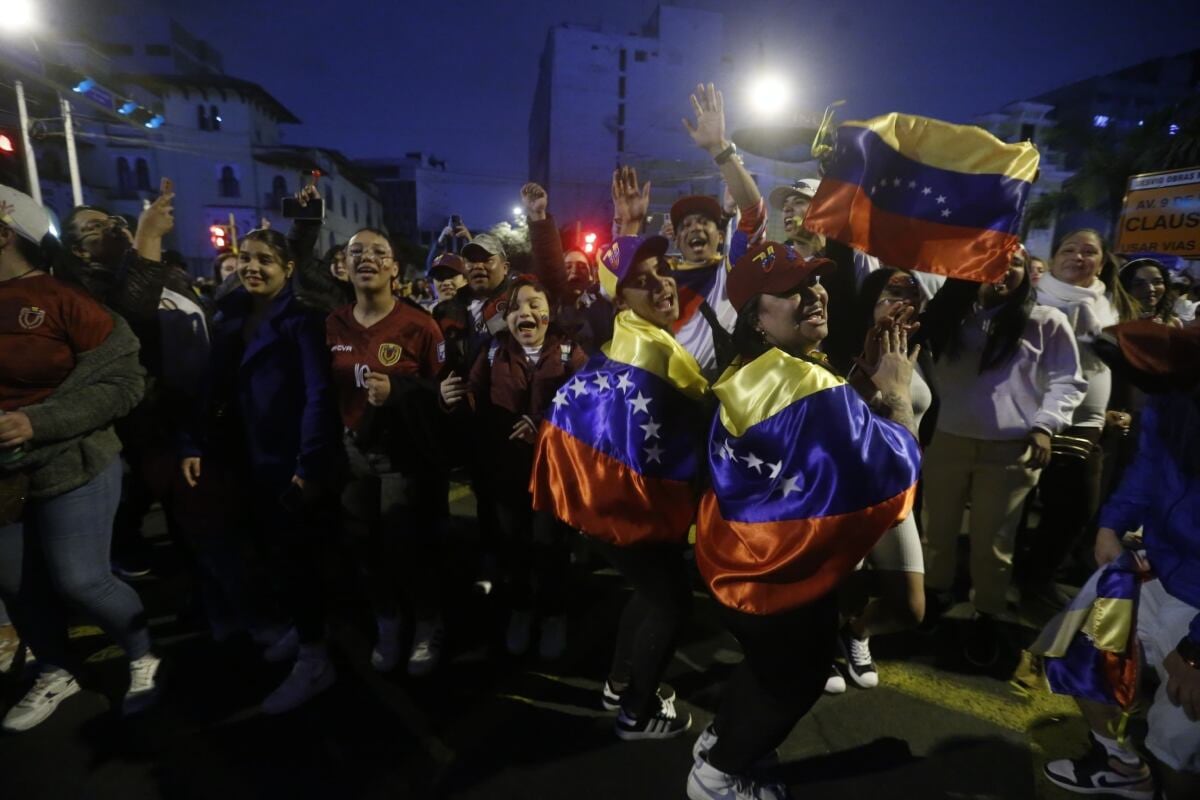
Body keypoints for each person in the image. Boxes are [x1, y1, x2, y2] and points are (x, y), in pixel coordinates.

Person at [687, 241, 922, 800]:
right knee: (794, 678)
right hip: (782, 579)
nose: (814, 294)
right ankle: (718, 773)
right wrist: (898, 396)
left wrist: (862, 376)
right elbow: (892, 472)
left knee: (766, 671)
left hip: (739, 563)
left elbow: (823, 433)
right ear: (757, 318)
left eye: (815, 282)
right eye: (792, 290)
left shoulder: (757, 370)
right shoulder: (810, 385)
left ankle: (723, 739)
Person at [531, 234, 710, 741]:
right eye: (641, 281)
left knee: (651, 593)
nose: (662, 285)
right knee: (671, 603)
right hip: (625, 503)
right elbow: (708, 412)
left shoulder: (632, 334)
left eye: (664, 271)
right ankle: (635, 711)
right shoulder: (651, 349)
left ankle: (618, 682)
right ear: (619, 297)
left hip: (604, 502)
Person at [0, 186, 158, 731]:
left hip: (73, 463)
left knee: (81, 580)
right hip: (3, 476)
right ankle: (54, 668)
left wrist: (36, 422)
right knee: (17, 584)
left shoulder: (63, 299)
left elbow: (122, 380)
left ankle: (142, 654)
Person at [180, 228, 343, 714]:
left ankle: (316, 659)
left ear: (288, 268)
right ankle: (305, 630)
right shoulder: (230, 313)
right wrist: (192, 441)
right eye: (246, 258)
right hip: (243, 456)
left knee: (301, 557)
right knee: (274, 554)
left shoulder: (304, 320)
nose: (252, 267)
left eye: (265, 260)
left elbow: (319, 396)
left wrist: (309, 465)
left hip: (288, 459)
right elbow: (210, 387)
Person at [1043, 320, 1200, 800]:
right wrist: (1111, 524)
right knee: (1082, 650)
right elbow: (1148, 468)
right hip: (1158, 570)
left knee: (1179, 746)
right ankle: (1120, 763)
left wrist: (1194, 654)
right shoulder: (1173, 399)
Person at [920, 247, 1086, 665]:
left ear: (1026, 272)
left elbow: (1068, 379)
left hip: (1010, 450)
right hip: (946, 441)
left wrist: (1045, 425)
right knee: (935, 530)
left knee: (993, 540)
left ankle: (986, 612)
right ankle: (933, 595)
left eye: (1013, 262)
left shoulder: (1046, 321)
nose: (1003, 270)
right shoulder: (951, 318)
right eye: (991, 260)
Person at [327, 227, 451, 676]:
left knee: (407, 549)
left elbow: (445, 394)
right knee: (364, 548)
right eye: (355, 251)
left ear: (395, 268)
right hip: (352, 455)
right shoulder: (332, 322)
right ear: (342, 266)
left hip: (405, 459)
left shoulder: (420, 325)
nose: (367, 258)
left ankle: (426, 624)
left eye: (379, 252)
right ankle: (388, 622)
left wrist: (398, 390)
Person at [441, 275, 586, 659]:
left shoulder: (572, 353)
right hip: (506, 473)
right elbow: (471, 399)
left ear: (549, 312)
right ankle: (521, 612)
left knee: (551, 547)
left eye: (535, 304)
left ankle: (554, 615)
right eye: (516, 306)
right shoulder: (491, 353)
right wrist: (449, 398)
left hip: (555, 475)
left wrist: (545, 423)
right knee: (516, 547)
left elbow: (589, 406)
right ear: (505, 318)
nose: (527, 312)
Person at [826, 267, 936, 694]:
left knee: (910, 608)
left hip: (897, 496)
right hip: (847, 496)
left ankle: (857, 633)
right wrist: (870, 378)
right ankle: (819, 651)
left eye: (909, 294)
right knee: (841, 593)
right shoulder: (845, 349)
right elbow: (838, 422)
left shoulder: (919, 351)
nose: (899, 302)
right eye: (889, 295)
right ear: (869, 304)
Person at [616, 84, 766, 376]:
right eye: (685, 225)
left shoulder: (730, 270)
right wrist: (630, 227)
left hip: (717, 404)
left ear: (720, 235)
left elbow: (754, 214)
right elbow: (620, 280)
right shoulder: (661, 277)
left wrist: (719, 148)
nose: (694, 227)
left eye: (704, 221)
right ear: (676, 237)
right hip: (659, 398)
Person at [1021, 230, 1128, 604]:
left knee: (1074, 506)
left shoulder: (1111, 304)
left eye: (1089, 252)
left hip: (1086, 422)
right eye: (1069, 249)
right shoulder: (1028, 295)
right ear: (1051, 259)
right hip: (1031, 416)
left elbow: (1125, 362)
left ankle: (1038, 577)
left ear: (1101, 262)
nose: (1078, 257)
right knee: (1017, 504)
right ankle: (1001, 579)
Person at [523, 181, 614, 356]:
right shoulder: (549, 303)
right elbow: (548, 261)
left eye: (582, 267)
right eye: (568, 266)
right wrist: (538, 216)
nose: (574, 271)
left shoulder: (603, 303)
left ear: (592, 275)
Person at [1119, 257, 1182, 328]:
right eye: (1139, 284)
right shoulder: (1112, 322)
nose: (1151, 289)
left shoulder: (1174, 323)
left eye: (1157, 282)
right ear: (1124, 288)